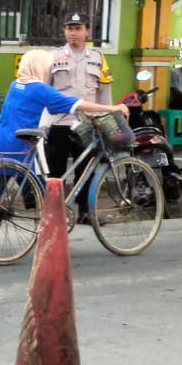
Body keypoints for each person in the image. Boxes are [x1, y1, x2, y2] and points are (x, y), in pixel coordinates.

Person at [0, 49, 129, 246]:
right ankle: (52, 232)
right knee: (44, 190)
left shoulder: (16, 85)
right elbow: (75, 103)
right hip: (23, 143)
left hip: (2, 141)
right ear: (39, 68)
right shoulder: (39, 89)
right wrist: (112, 108)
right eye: (46, 67)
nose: (49, 71)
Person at [46, 13, 113, 215]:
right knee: (55, 171)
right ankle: (54, 212)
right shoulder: (54, 56)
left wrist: (105, 120)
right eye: (69, 28)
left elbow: (104, 93)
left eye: (77, 28)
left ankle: (84, 211)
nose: (73, 33)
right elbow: (44, 89)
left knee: (86, 169)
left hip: (88, 124)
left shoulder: (98, 58)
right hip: (60, 123)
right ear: (64, 31)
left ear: (87, 31)